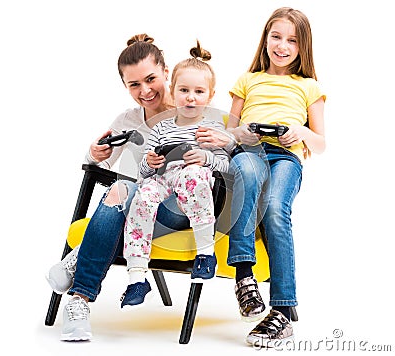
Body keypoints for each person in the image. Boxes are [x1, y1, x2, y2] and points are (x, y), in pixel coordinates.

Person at [46, 34, 234, 341]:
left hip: (182, 209)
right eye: (134, 84)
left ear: (167, 74)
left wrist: (222, 149)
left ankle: (81, 260)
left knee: (128, 189)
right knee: (124, 189)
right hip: (141, 204)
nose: (145, 91)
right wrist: (94, 154)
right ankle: (79, 302)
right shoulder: (128, 121)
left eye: (151, 79)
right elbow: (99, 167)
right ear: (125, 86)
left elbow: (227, 161)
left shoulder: (198, 109)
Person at [225, 7, 326, 345]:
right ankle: (244, 277)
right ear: (265, 39)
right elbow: (229, 132)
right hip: (250, 152)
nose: (282, 46)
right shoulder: (247, 80)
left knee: (274, 210)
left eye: (292, 41)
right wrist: (244, 134)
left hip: (286, 158)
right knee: (247, 182)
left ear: (302, 47)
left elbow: (321, 143)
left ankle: (282, 311)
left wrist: (299, 131)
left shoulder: (309, 86)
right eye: (276, 37)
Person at [120, 41, 230, 308]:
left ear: (210, 95)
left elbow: (226, 165)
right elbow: (144, 173)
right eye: (183, 90)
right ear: (173, 91)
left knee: (193, 174)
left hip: (193, 184)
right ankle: (137, 275)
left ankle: (205, 253)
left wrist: (206, 157)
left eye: (198, 91)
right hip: (164, 179)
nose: (190, 97)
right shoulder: (161, 127)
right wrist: (150, 161)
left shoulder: (212, 126)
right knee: (142, 195)